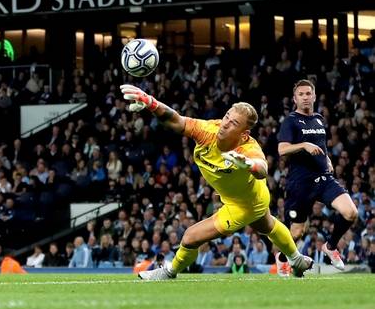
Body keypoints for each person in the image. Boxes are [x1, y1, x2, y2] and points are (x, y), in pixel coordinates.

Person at [119, 84, 313, 280]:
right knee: (267, 225)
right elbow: (176, 120)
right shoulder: (208, 130)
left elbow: (262, 168)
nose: (225, 123)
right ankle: (296, 260)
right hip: (248, 195)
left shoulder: (247, 148)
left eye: (234, 123)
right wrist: (151, 102)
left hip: (244, 205)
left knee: (190, 237)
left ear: (244, 134)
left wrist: (249, 164)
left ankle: (169, 272)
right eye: (227, 116)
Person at [276, 79, 358, 273]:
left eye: (308, 93)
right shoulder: (290, 121)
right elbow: (282, 149)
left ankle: (330, 247)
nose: (305, 97)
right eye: (301, 94)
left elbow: (320, 144)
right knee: (297, 232)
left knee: (351, 212)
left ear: (314, 96)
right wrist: (304, 145)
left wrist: (326, 158)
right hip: (301, 183)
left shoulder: (319, 119)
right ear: (295, 99)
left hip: (324, 179)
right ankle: (281, 258)